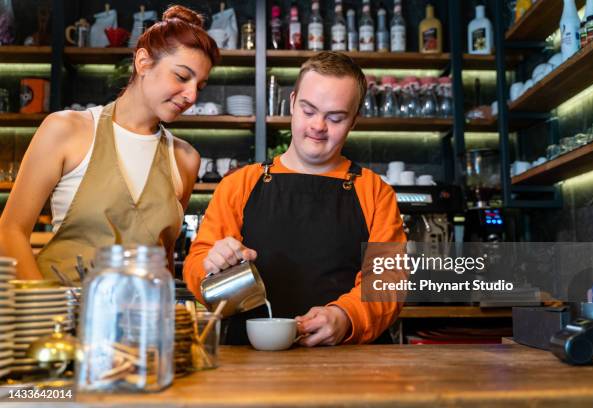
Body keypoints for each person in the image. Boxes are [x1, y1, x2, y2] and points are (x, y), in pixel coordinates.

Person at [183, 51, 406, 347]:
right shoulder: (240, 184)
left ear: (353, 121)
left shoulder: (375, 192)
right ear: (291, 104)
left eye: (335, 117)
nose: (318, 126)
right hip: (251, 364)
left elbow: (387, 284)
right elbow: (196, 266)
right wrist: (212, 265)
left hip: (351, 366)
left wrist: (345, 317)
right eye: (308, 110)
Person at [0, 5, 219, 281]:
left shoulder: (186, 159)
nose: (191, 96)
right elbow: (10, 231)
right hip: (58, 317)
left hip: (140, 321)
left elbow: (163, 258)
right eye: (182, 76)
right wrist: (43, 311)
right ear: (143, 62)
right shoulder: (66, 130)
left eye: (199, 86)